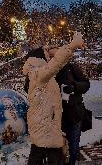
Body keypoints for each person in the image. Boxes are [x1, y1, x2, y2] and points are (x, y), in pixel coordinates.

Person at [23, 32, 85, 165]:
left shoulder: (35, 74)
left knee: (37, 156)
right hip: (46, 129)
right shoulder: (38, 74)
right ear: (40, 60)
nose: (49, 58)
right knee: (54, 158)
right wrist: (72, 46)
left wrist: (49, 49)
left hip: (44, 126)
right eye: (46, 57)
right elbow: (56, 63)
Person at [56, 59, 90, 165]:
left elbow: (86, 84)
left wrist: (74, 87)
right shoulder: (49, 70)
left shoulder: (71, 68)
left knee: (73, 147)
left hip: (74, 114)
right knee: (58, 148)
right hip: (57, 116)